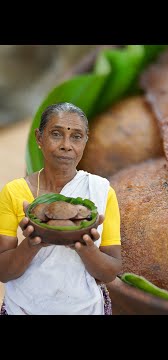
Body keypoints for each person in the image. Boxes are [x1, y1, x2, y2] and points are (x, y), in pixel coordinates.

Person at [0, 102, 122, 315]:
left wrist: (85, 246)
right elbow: (3, 272)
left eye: (76, 136)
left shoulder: (101, 191)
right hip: (21, 308)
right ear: (39, 138)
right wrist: (32, 243)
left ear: (85, 141)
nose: (66, 145)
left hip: (86, 309)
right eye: (56, 134)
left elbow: (110, 272)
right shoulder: (14, 192)